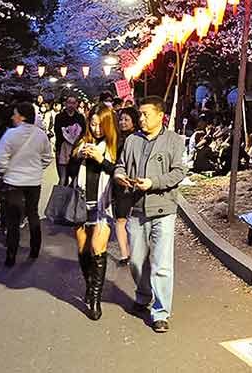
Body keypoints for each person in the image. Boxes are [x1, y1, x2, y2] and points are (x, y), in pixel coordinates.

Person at [113, 96, 185, 333]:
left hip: (163, 208)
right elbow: (121, 165)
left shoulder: (174, 140)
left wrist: (153, 182)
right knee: (136, 261)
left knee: (162, 264)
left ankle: (161, 312)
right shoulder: (132, 140)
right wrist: (119, 175)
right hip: (136, 207)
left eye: (146, 114)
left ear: (160, 115)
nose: (141, 119)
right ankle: (143, 295)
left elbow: (178, 173)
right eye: (140, 115)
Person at [73, 104, 118, 320]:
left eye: (101, 125)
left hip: (104, 205)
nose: (96, 128)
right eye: (92, 124)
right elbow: (68, 172)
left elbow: (118, 173)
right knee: (83, 249)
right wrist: (78, 156)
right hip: (82, 203)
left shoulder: (115, 145)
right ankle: (89, 285)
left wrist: (102, 160)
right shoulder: (83, 142)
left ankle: (94, 300)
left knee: (97, 248)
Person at [0, 102, 52, 267]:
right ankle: (35, 249)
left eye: (15, 113)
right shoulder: (41, 135)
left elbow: (1, 159)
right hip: (33, 182)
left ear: (22, 116)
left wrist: (1, 172)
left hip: (13, 182)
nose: (13, 117)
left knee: (13, 219)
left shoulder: (10, 134)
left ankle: (11, 255)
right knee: (32, 213)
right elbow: (47, 157)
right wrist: (37, 168)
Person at [113, 107, 140, 265]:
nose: (123, 122)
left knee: (135, 219)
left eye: (126, 120)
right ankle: (124, 254)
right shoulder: (116, 138)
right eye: (121, 119)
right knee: (121, 218)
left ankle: (137, 251)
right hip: (120, 184)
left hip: (136, 183)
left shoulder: (139, 138)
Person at [53, 95, 86, 185]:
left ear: (76, 104)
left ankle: (73, 197)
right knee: (63, 178)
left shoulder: (80, 117)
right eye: (69, 102)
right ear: (65, 104)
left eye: (73, 103)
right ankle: (61, 197)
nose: (71, 105)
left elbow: (83, 132)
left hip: (76, 149)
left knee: (75, 177)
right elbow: (57, 132)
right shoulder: (59, 117)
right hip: (62, 149)